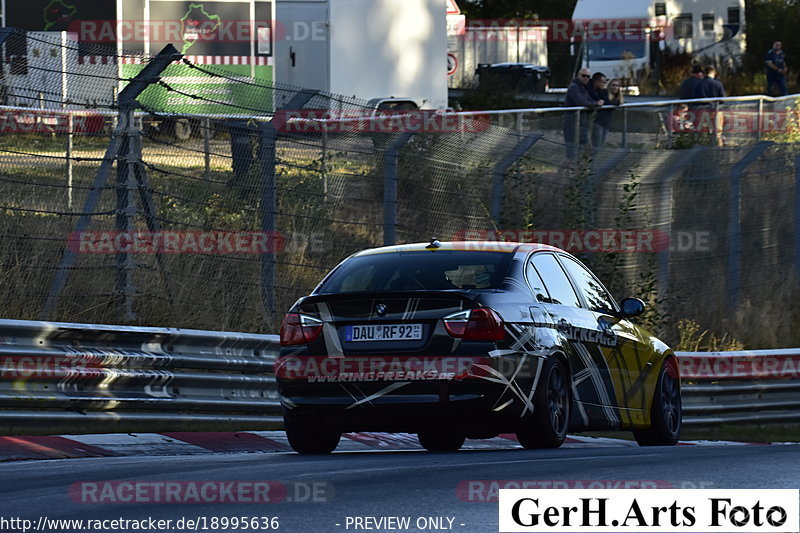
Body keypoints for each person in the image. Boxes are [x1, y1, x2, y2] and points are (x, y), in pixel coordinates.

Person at [563, 68, 603, 161]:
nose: (586, 78)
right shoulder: (574, 87)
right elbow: (580, 101)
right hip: (572, 125)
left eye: (588, 76)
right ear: (578, 76)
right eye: (583, 76)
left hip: (582, 124)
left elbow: (589, 100)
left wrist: (597, 102)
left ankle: (582, 170)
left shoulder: (583, 88)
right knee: (571, 154)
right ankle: (564, 173)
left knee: (587, 149)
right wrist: (596, 104)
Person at [692, 66, 726, 146]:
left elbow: (694, 98)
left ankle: (701, 151)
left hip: (701, 111)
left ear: (704, 73)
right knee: (717, 133)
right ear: (713, 73)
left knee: (702, 133)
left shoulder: (698, 84)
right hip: (715, 110)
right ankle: (718, 150)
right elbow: (722, 99)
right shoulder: (717, 84)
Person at [590, 75, 623, 149]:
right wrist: (616, 103)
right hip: (598, 124)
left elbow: (617, 102)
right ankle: (589, 160)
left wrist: (617, 102)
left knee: (600, 146)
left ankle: (591, 159)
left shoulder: (617, 98)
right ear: (609, 86)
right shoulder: (604, 92)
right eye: (613, 85)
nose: (615, 87)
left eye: (617, 86)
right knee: (596, 147)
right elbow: (607, 102)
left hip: (606, 125)